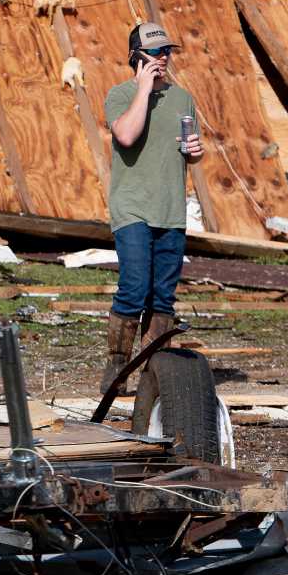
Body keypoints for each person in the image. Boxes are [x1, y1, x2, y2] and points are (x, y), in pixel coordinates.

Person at [99, 21, 203, 392]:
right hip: (133, 209)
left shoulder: (182, 99)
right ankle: (116, 367)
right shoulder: (120, 94)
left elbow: (188, 149)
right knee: (134, 286)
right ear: (136, 57)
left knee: (162, 296)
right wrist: (144, 89)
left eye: (166, 52)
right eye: (155, 53)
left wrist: (195, 152)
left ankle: (154, 372)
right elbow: (126, 135)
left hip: (170, 208)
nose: (163, 59)